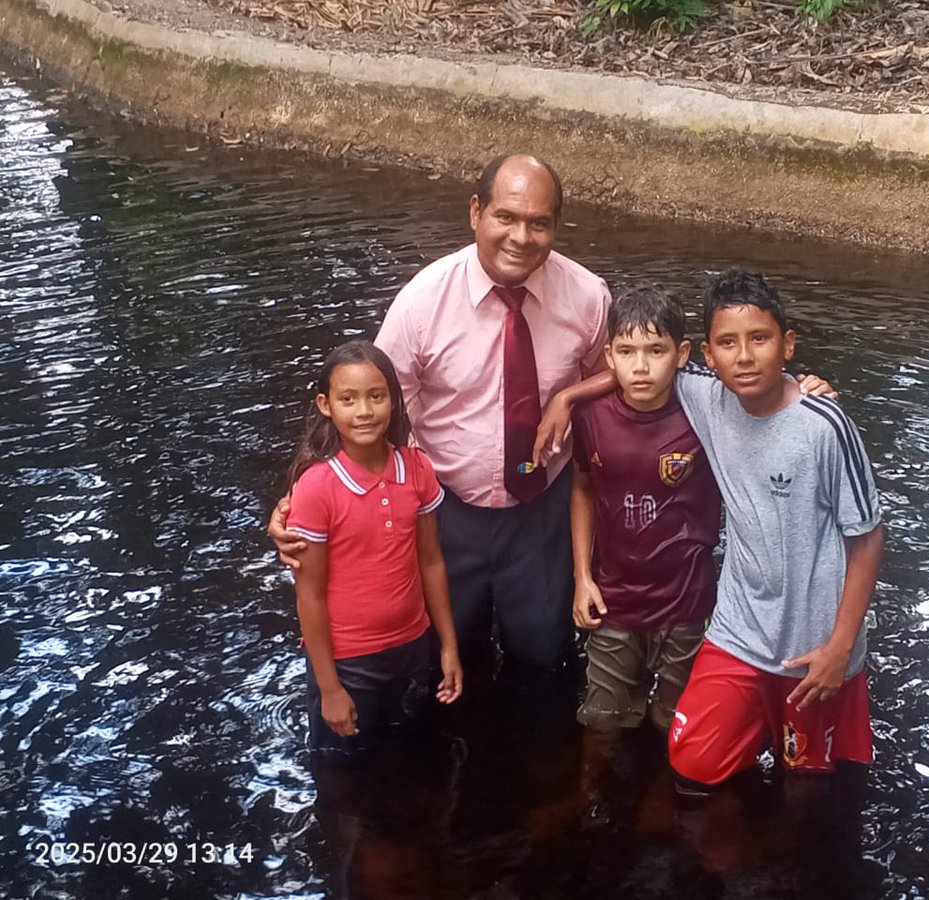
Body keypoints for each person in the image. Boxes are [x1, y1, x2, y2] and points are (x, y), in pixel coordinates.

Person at [539, 269, 882, 788]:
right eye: (727, 343)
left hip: (814, 638)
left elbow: (868, 538)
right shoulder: (705, 395)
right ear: (706, 355)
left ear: (787, 345)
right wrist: (567, 397)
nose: (743, 357)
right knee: (693, 764)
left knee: (808, 781)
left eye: (759, 339)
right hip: (739, 630)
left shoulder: (824, 426)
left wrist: (840, 646)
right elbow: (643, 362)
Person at [271, 154, 611, 672]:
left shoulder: (586, 297)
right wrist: (300, 493)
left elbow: (615, 377)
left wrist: (568, 397)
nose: (521, 237)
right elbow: (367, 408)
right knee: (449, 657)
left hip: (543, 506)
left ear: (556, 226)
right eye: (506, 217)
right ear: (476, 212)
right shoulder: (422, 304)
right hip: (445, 510)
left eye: (538, 223)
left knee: (545, 654)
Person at [569, 285, 721, 815]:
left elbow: (762, 395)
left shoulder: (707, 412)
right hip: (615, 597)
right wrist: (582, 578)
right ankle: (588, 797)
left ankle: (660, 800)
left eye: (656, 351)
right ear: (608, 355)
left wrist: (806, 386)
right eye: (627, 351)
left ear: (681, 354)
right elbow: (582, 488)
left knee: (675, 716)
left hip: (688, 599)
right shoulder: (591, 417)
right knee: (602, 716)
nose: (641, 366)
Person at [287, 341, 462, 763]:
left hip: (412, 647)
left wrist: (447, 645)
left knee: (410, 757)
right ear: (326, 405)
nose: (364, 411)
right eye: (348, 399)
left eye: (376, 396)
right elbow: (309, 595)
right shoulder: (317, 487)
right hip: (349, 662)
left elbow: (431, 561)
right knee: (344, 770)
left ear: (394, 401)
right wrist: (330, 688)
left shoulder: (416, 468)